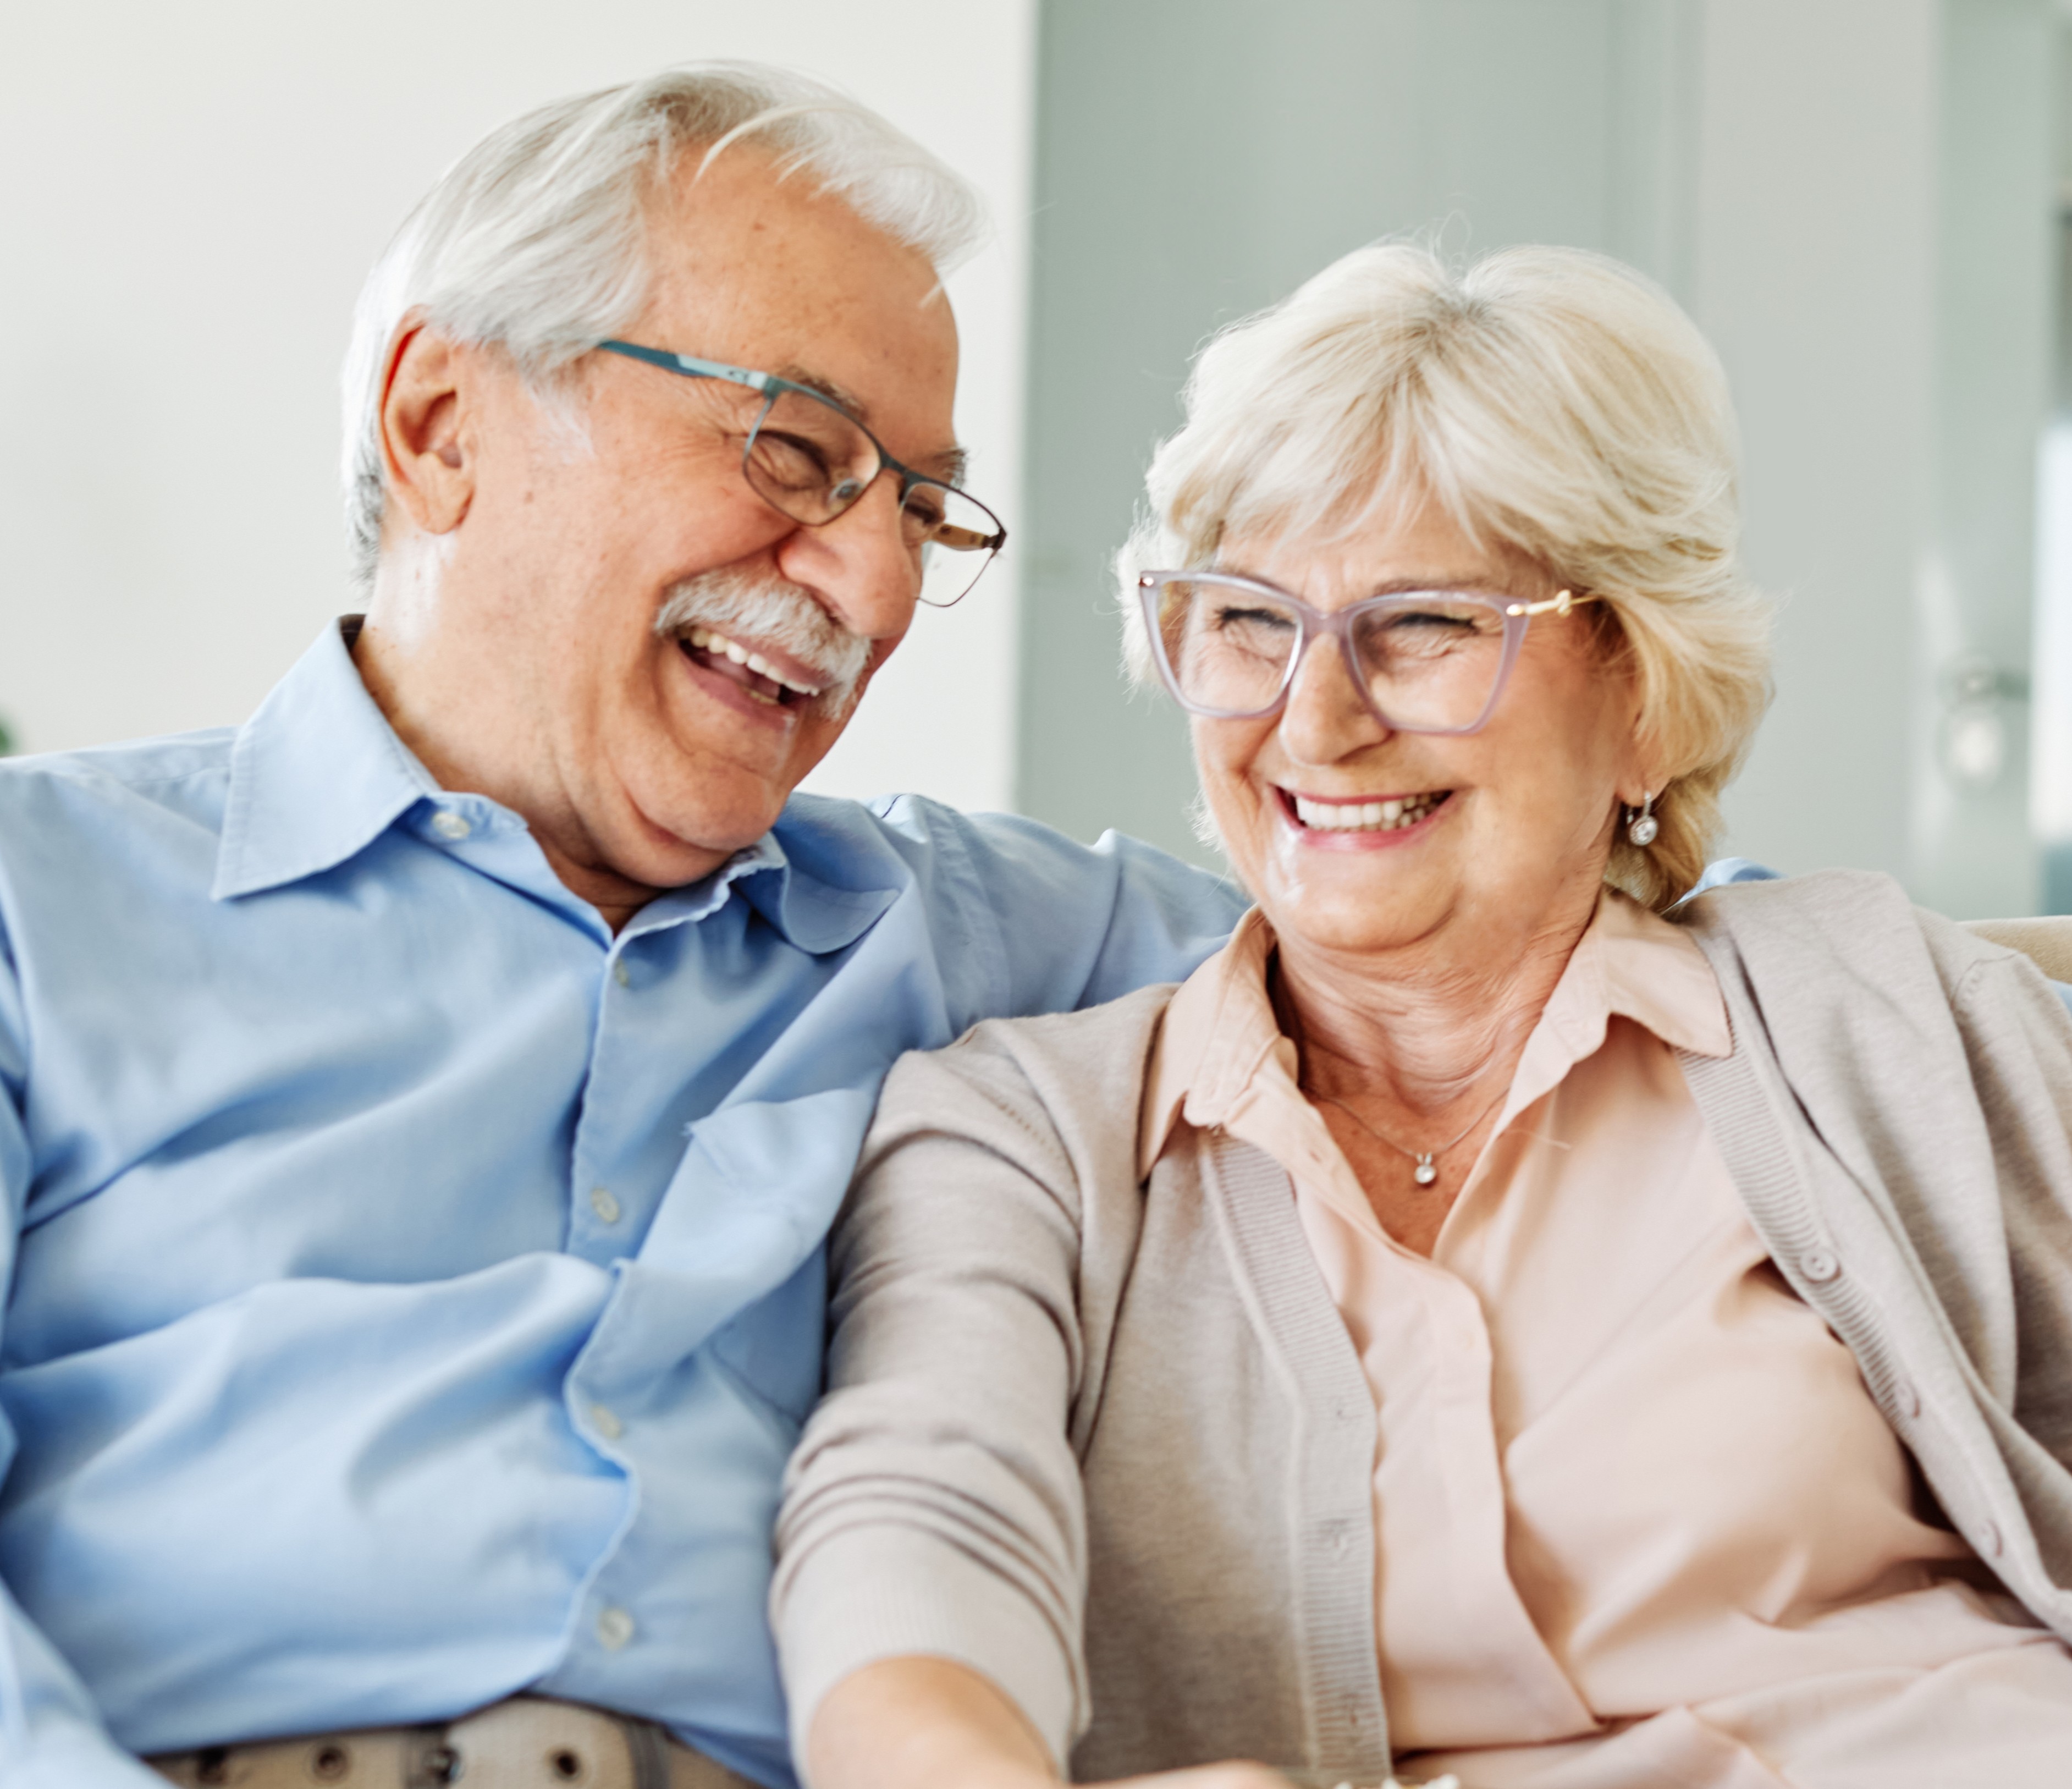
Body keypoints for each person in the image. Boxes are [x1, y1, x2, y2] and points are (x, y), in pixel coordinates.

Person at [0, 64, 1247, 1789]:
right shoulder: (33, 899)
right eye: (796, 453)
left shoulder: (970, 938)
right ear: (443, 423)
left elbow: (1501, 922)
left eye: (919, 507)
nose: (876, 593)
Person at [773, 244, 2072, 1789]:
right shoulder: (1029, 1139)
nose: (1315, 721)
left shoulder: (1884, 1014)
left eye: (1429, 626)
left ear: (1645, 692)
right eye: (1250, 622)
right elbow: (913, 1532)